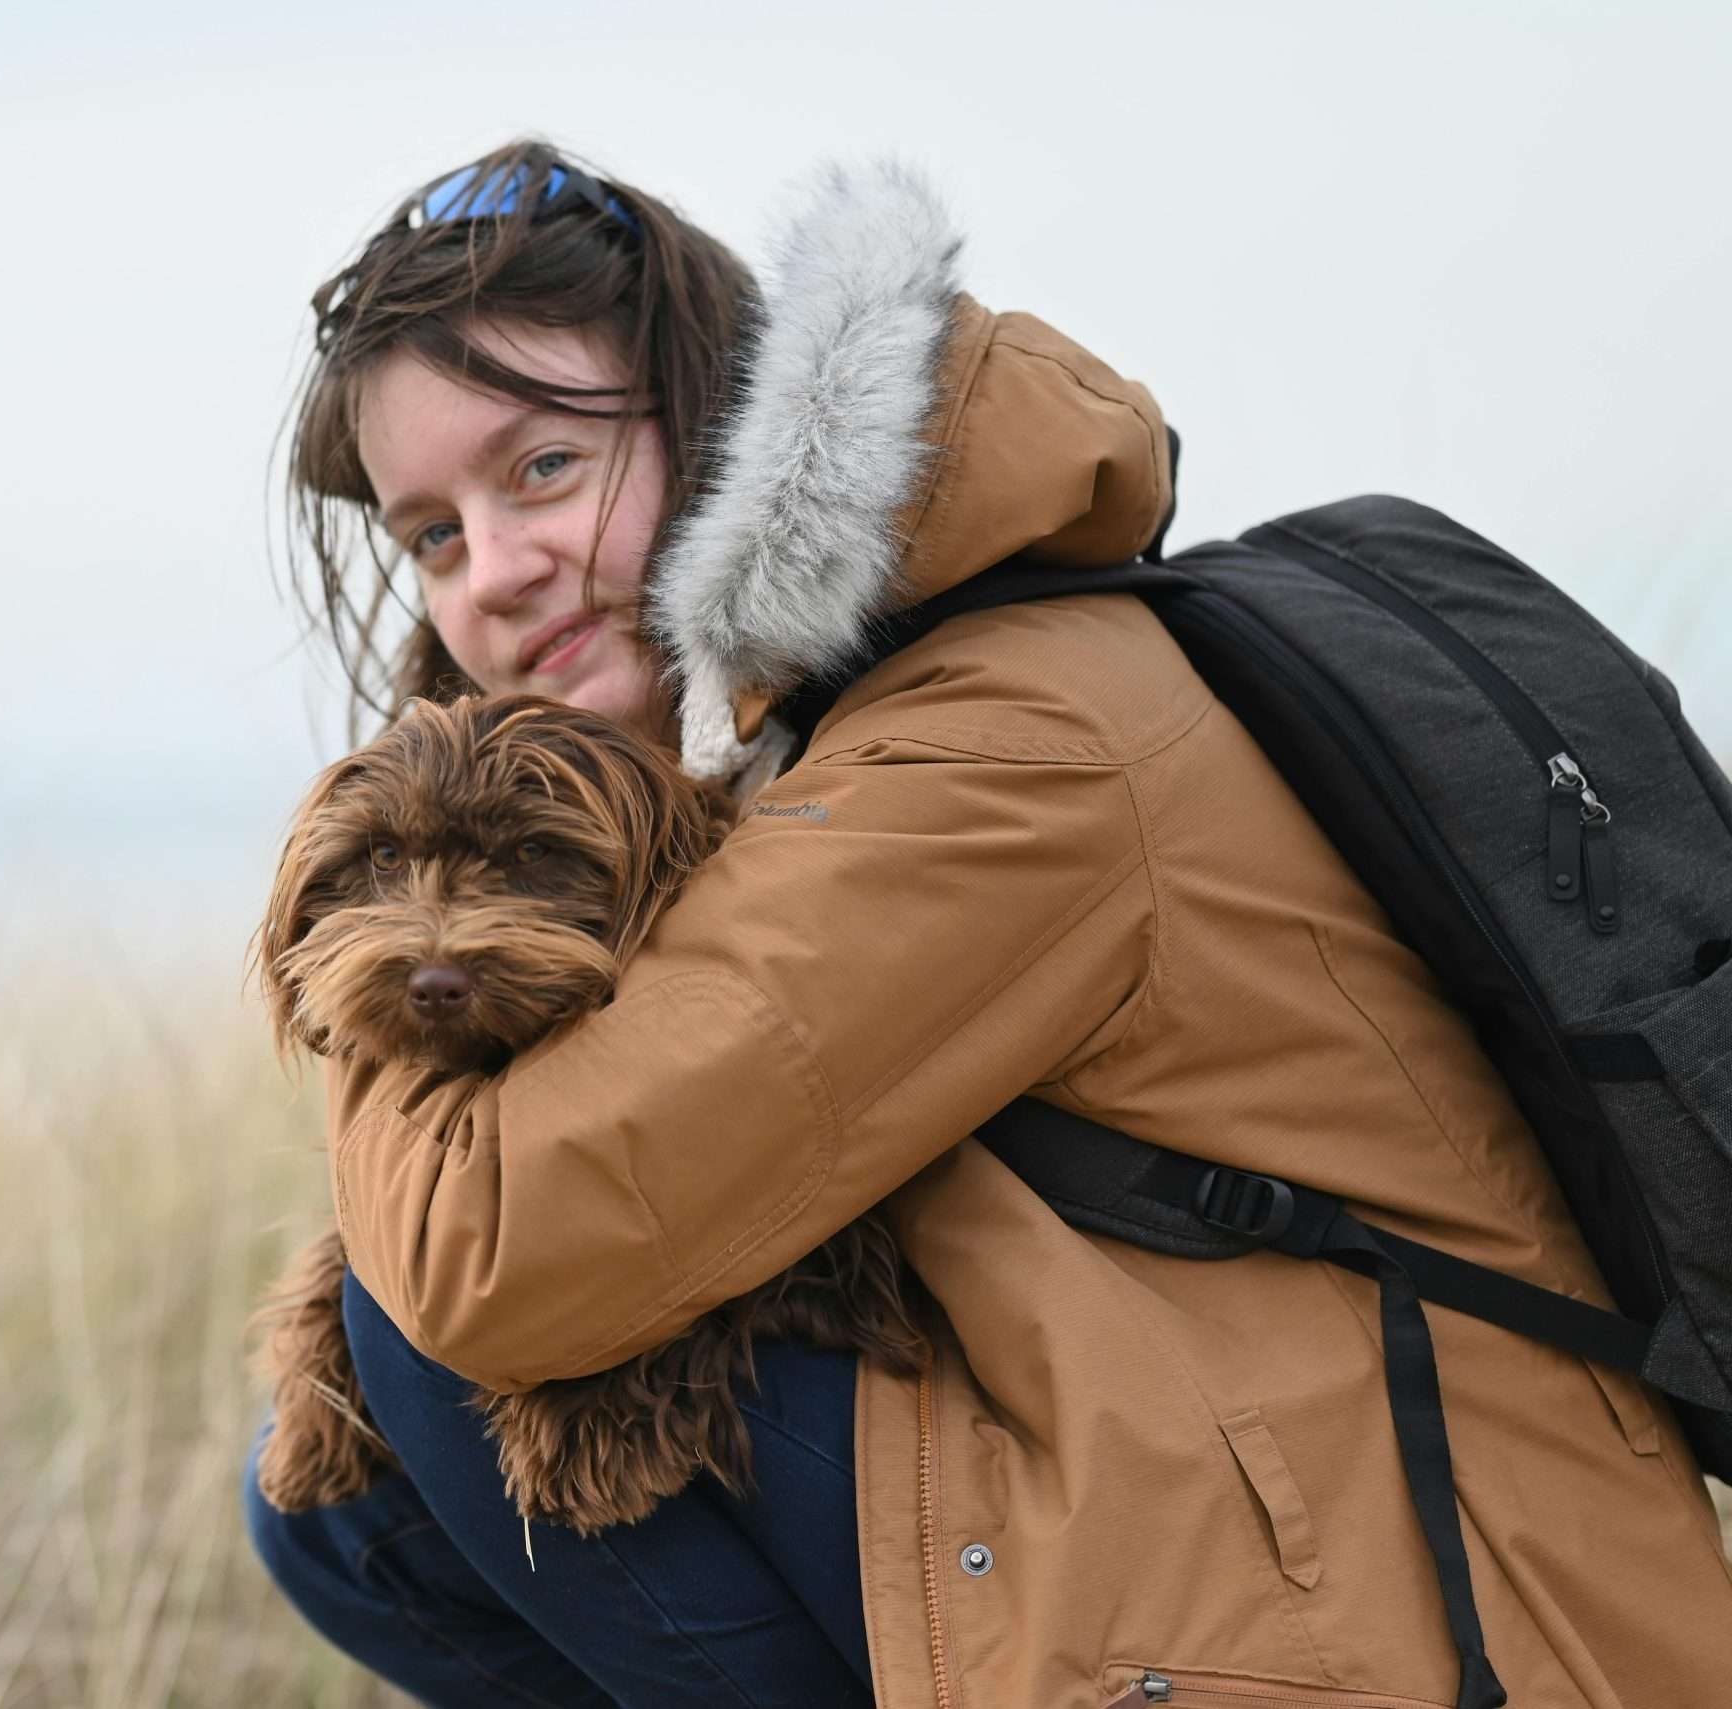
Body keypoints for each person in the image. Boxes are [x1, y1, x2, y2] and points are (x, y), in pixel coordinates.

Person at [244, 139, 1732, 1708]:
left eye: (545, 468)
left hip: (1433, 1610)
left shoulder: (1011, 741)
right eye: (432, 533)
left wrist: (389, 930)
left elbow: (502, 1251)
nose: (493, 574)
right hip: (1215, 1479)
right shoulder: (790, 743)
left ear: (738, 416)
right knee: (348, 1503)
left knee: (434, 1334)